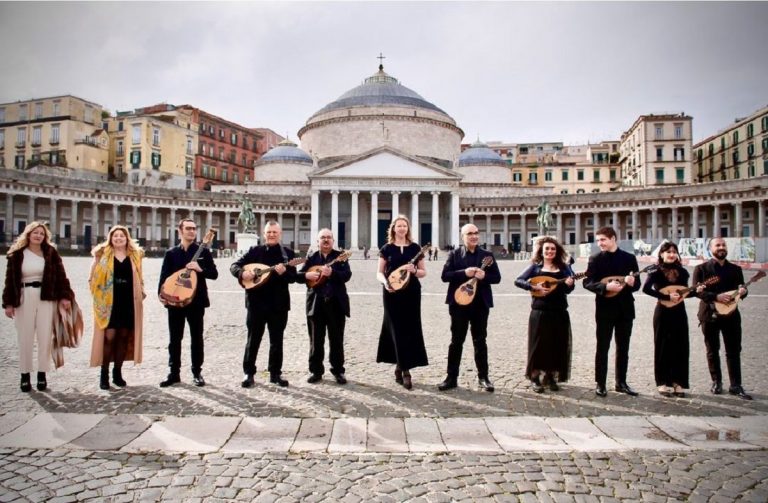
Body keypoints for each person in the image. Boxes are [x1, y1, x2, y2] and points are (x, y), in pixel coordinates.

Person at [3, 221, 74, 392]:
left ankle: (42, 374)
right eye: (35, 232)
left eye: (41, 233)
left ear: (45, 236)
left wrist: (65, 296)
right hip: (24, 296)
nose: (38, 235)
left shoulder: (50, 253)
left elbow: (61, 276)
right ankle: (25, 375)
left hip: (46, 296)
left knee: (45, 337)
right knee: (25, 338)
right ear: (28, 234)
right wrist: (8, 303)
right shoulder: (17, 254)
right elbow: (9, 280)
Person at [231, 221, 297, 387]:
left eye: (275, 232)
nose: (272, 235)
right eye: (269, 232)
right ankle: (248, 373)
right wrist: (242, 273)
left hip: (278, 305)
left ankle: (275, 373)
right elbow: (234, 266)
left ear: (279, 234)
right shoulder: (255, 251)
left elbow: (293, 278)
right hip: (256, 304)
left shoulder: (287, 254)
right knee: (253, 339)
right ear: (264, 234)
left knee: (277, 340)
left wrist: (284, 273)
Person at [438, 223, 501, 392]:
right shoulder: (454, 254)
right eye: (469, 234)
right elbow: (445, 276)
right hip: (458, 304)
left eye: (476, 233)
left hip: (480, 304)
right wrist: (463, 273)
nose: (473, 236)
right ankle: (451, 377)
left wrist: (484, 276)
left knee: (480, 341)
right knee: (456, 341)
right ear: (462, 237)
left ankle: (483, 377)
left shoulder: (487, 255)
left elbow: (497, 278)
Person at [158, 218, 218, 387]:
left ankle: (197, 372)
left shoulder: (203, 252)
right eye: (188, 228)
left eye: (194, 228)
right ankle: (173, 372)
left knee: (196, 337)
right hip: (174, 300)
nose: (192, 231)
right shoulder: (171, 253)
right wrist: (162, 295)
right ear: (180, 231)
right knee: (175, 338)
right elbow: (164, 276)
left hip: (196, 301)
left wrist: (200, 269)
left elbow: (214, 274)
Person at [583, 226, 641, 397]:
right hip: (604, 309)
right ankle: (600, 383)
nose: (599, 243)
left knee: (623, 348)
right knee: (603, 347)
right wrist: (604, 286)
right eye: (598, 240)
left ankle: (621, 382)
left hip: (625, 309)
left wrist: (632, 283)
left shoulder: (629, 258)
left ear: (613, 238)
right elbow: (587, 282)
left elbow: (637, 285)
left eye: (603, 240)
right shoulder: (595, 259)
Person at [692, 237, 752, 400]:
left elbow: (742, 290)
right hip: (709, 315)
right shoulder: (701, 268)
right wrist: (715, 296)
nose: (721, 247)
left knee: (734, 350)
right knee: (712, 350)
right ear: (710, 248)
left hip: (732, 315)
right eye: (717, 245)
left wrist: (743, 292)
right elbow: (697, 291)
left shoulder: (735, 269)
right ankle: (716, 382)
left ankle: (735, 385)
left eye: (723, 245)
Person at [514, 237, 575, 393]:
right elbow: (518, 280)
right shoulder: (535, 268)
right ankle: (535, 377)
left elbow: (568, 289)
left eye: (553, 249)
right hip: (540, 311)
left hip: (559, 310)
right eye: (547, 249)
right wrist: (533, 286)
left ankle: (550, 376)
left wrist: (570, 284)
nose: (550, 251)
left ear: (557, 251)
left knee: (557, 344)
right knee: (538, 345)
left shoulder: (565, 268)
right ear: (541, 251)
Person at [88, 225, 145, 390]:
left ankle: (117, 373)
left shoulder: (135, 255)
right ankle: (104, 373)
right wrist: (98, 296)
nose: (119, 238)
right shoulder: (102, 254)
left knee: (123, 337)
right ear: (110, 238)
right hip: (109, 302)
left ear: (127, 238)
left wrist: (141, 292)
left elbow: (140, 277)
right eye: (115, 236)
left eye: (122, 236)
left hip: (128, 301)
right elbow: (92, 278)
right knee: (109, 337)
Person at [376, 215, 428, 389]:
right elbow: (379, 272)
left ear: (408, 228)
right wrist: (386, 283)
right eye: (399, 226)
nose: (402, 229)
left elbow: (423, 272)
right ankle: (404, 369)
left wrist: (414, 270)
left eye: (404, 226)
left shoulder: (415, 248)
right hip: (391, 292)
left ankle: (402, 367)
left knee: (410, 328)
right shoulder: (386, 248)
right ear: (393, 229)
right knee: (395, 328)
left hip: (411, 292)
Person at [296, 229, 352, 384]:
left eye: (329, 237)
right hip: (316, 305)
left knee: (337, 340)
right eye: (323, 238)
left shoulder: (340, 257)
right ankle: (316, 371)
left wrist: (332, 273)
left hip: (336, 305)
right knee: (316, 340)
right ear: (317, 242)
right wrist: (306, 275)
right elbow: (299, 277)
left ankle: (338, 371)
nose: (326, 240)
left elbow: (347, 275)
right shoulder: (312, 258)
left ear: (333, 241)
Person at [642, 242, 691, 397]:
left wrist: (697, 290)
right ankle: (662, 382)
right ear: (661, 254)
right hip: (662, 311)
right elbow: (646, 289)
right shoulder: (655, 271)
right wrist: (666, 296)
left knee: (681, 346)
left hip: (679, 311)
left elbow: (686, 292)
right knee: (662, 346)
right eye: (668, 251)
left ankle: (678, 382)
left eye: (674, 251)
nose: (671, 254)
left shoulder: (683, 272)